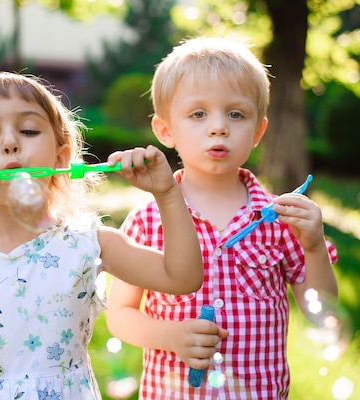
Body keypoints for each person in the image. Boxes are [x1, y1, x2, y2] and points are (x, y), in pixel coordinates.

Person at [0, 71, 204, 400]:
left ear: (61, 157)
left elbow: (183, 277)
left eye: (29, 130)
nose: (10, 143)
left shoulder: (88, 242)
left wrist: (167, 193)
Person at [105, 37, 339, 399]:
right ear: (166, 131)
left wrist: (313, 247)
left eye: (236, 114)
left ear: (258, 132)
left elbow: (321, 309)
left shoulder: (280, 219)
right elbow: (119, 314)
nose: (219, 127)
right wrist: (171, 336)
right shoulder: (148, 220)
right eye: (198, 114)